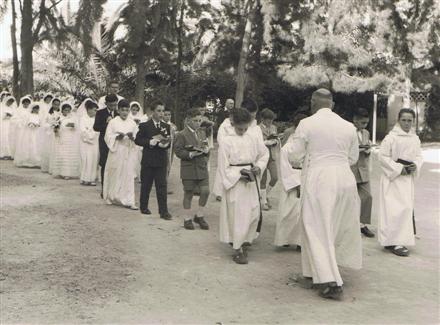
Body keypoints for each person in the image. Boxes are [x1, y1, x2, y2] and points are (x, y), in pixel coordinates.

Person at [287, 88, 361, 300]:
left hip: (320, 178)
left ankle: (331, 281)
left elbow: (294, 156)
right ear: (332, 104)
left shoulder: (307, 123)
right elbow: (353, 157)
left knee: (316, 227)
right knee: (333, 227)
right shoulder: (348, 126)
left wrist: (309, 159)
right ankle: (313, 273)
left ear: (312, 103)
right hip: (344, 178)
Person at [218, 108, 269, 264]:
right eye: (240, 128)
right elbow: (223, 166)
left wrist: (258, 167)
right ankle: (237, 249)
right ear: (233, 124)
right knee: (238, 215)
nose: (243, 131)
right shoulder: (226, 141)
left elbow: (264, 154)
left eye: (245, 128)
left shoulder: (252, 137)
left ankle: (246, 239)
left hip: (251, 178)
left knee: (253, 212)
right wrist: (237, 176)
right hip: (236, 181)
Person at [378, 108, 423, 257]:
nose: (406, 123)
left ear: (413, 121)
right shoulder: (391, 137)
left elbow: (418, 156)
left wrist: (415, 165)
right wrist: (398, 169)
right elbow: (383, 157)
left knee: (405, 208)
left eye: (409, 120)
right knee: (392, 209)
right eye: (404, 120)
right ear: (398, 120)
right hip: (394, 178)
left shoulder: (415, 138)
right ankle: (392, 241)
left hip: (406, 178)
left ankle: (400, 240)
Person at [174, 108, 211, 230]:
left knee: (205, 191)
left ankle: (199, 215)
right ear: (188, 120)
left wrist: (206, 151)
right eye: (195, 120)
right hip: (189, 168)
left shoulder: (202, 132)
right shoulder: (181, 134)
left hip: (201, 166)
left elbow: (206, 145)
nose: (198, 123)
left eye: (200, 120)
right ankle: (187, 218)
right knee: (188, 193)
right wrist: (190, 154)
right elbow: (178, 151)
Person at [135, 101, 173, 220]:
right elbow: (138, 140)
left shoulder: (166, 126)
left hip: (161, 160)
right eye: (159, 111)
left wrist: (165, 145)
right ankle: (144, 206)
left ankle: (163, 211)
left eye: (163, 111)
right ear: (152, 112)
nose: (161, 114)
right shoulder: (145, 125)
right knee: (146, 185)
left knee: (162, 186)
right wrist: (149, 142)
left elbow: (168, 142)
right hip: (148, 160)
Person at [274, 119, 305, 248]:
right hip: (292, 182)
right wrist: (296, 183)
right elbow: (284, 167)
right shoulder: (287, 148)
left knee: (302, 214)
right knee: (288, 212)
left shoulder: (307, 145)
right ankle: (284, 240)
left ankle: (299, 242)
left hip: (305, 178)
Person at [103, 99, 138, 209]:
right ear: (118, 110)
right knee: (115, 173)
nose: (125, 113)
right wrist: (117, 137)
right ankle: (111, 196)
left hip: (128, 151)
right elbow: (107, 136)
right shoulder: (113, 122)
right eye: (123, 110)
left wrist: (133, 138)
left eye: (127, 110)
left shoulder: (132, 123)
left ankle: (129, 200)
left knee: (128, 175)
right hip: (117, 151)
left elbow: (137, 136)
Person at [351, 107, 375, 238]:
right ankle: (350, 225)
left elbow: (368, 151)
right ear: (355, 119)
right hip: (351, 169)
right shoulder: (347, 131)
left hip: (363, 169)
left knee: (368, 197)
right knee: (350, 199)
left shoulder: (366, 133)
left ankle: (363, 224)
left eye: (366, 123)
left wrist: (367, 150)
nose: (364, 125)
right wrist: (357, 150)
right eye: (362, 123)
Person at [93, 94, 119, 196]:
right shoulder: (100, 113)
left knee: (114, 165)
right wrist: (107, 124)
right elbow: (96, 127)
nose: (113, 107)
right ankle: (104, 189)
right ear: (106, 103)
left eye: (115, 105)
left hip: (116, 142)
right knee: (105, 164)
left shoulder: (118, 113)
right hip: (104, 142)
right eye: (111, 105)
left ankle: (113, 189)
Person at [51, 102, 80, 179]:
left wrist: (73, 126)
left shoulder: (73, 118)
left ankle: (67, 173)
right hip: (61, 137)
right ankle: (60, 172)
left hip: (70, 138)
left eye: (68, 110)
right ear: (62, 110)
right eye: (65, 110)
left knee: (68, 155)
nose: (67, 112)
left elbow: (76, 128)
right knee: (61, 154)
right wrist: (56, 129)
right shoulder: (59, 118)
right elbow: (55, 127)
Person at [259, 108, 280, 210]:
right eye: (268, 120)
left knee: (275, 177)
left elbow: (277, 140)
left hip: (271, 155)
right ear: (262, 119)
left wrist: (275, 141)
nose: (270, 122)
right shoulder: (258, 128)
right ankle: (263, 202)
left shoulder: (273, 127)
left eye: (271, 120)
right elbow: (258, 142)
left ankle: (265, 195)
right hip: (262, 155)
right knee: (263, 179)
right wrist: (266, 142)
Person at [13, 103, 42, 167]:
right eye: (35, 109)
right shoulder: (29, 115)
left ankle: (36, 161)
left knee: (36, 145)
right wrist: (30, 124)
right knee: (29, 144)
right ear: (32, 109)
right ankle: (27, 160)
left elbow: (41, 123)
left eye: (37, 109)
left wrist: (38, 125)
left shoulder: (39, 116)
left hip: (37, 132)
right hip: (29, 132)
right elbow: (25, 122)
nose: (36, 110)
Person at [79, 100, 100, 186]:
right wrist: (89, 136)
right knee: (85, 159)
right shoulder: (83, 119)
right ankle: (84, 178)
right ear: (89, 109)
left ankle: (91, 178)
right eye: (94, 110)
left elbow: (98, 130)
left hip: (94, 142)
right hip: (85, 142)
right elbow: (82, 130)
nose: (96, 112)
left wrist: (93, 134)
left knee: (94, 159)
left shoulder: (97, 119)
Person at [40, 97, 61, 173]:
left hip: (57, 133)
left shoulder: (60, 113)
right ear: (52, 104)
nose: (56, 106)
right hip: (49, 133)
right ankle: (47, 166)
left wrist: (58, 126)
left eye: (58, 105)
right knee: (49, 149)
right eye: (55, 104)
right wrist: (50, 125)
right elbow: (43, 123)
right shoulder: (48, 113)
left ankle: (55, 167)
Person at [129, 101, 148, 181]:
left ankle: (140, 175)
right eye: (133, 109)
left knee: (139, 158)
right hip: (131, 139)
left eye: (136, 110)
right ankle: (131, 174)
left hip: (138, 140)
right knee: (131, 157)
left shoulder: (141, 118)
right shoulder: (128, 117)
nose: (134, 111)